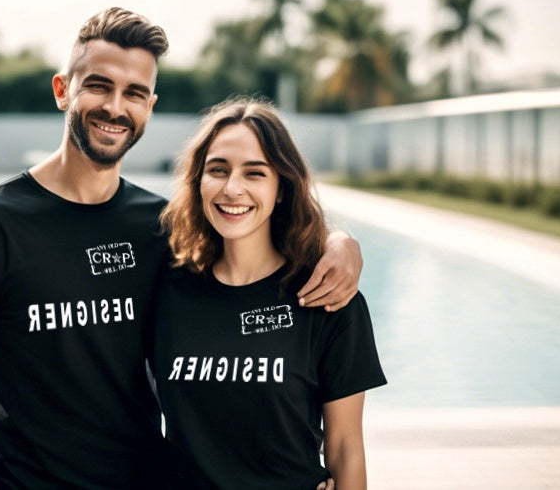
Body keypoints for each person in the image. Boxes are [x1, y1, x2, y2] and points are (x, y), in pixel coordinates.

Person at [0, 8, 363, 489]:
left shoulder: (162, 227)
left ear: (148, 107)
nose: (116, 106)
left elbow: (253, 224)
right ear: (62, 90)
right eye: (98, 85)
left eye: (134, 93)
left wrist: (339, 242)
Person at [154, 98, 387, 489]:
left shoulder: (328, 298)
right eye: (218, 170)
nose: (232, 188)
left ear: (281, 189)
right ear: (198, 181)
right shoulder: (164, 287)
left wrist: (341, 240)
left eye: (255, 173)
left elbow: (345, 447)